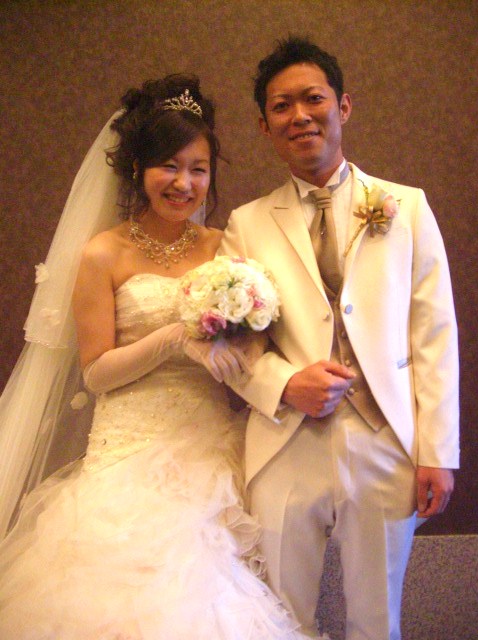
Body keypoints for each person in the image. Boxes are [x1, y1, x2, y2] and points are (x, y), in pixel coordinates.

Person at [0, 74, 310, 639]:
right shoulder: (103, 254)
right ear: (139, 168)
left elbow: (258, 336)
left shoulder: (223, 247)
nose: (185, 183)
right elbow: (96, 372)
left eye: (199, 169)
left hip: (213, 449)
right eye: (170, 166)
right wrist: (174, 337)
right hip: (127, 450)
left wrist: (243, 343)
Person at [219, 36, 459, 640]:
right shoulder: (247, 223)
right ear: (265, 125)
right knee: (280, 616)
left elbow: (433, 333)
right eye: (281, 106)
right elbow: (226, 341)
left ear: (343, 106)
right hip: (283, 443)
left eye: (313, 98)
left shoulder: (406, 208)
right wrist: (283, 383)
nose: (300, 115)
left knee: (377, 619)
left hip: (385, 440)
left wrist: (438, 450)